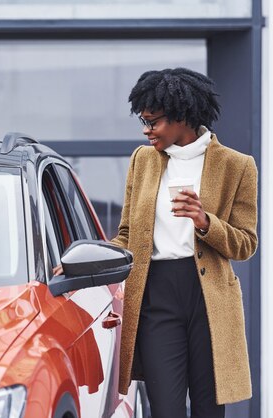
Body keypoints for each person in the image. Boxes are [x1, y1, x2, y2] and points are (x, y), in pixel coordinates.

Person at [111, 68, 258, 418]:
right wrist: (93, 259)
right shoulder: (142, 161)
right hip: (156, 295)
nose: (147, 130)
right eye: (143, 122)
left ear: (181, 117)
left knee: (209, 408)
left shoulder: (237, 166)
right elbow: (128, 234)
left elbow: (246, 244)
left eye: (154, 122)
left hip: (209, 299)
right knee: (166, 408)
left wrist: (205, 221)